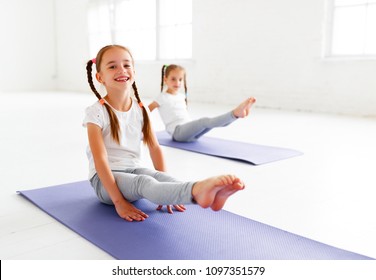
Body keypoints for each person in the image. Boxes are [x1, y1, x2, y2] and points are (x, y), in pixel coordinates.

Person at [83, 45, 245, 222]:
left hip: (133, 169)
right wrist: (118, 201)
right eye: (112, 66)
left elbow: (154, 147)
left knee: (162, 177)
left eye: (127, 65)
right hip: (104, 182)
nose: (121, 70)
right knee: (144, 183)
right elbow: (100, 160)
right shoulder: (96, 112)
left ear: (134, 72)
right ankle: (197, 190)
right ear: (100, 77)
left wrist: (168, 193)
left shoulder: (140, 109)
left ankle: (211, 194)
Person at [148, 64, 256, 142]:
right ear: (165, 79)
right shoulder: (162, 97)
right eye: (173, 79)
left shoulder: (181, 96)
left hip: (191, 134)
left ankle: (236, 115)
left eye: (180, 79)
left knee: (211, 124)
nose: (177, 82)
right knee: (205, 121)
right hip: (178, 133)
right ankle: (235, 113)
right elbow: (146, 110)